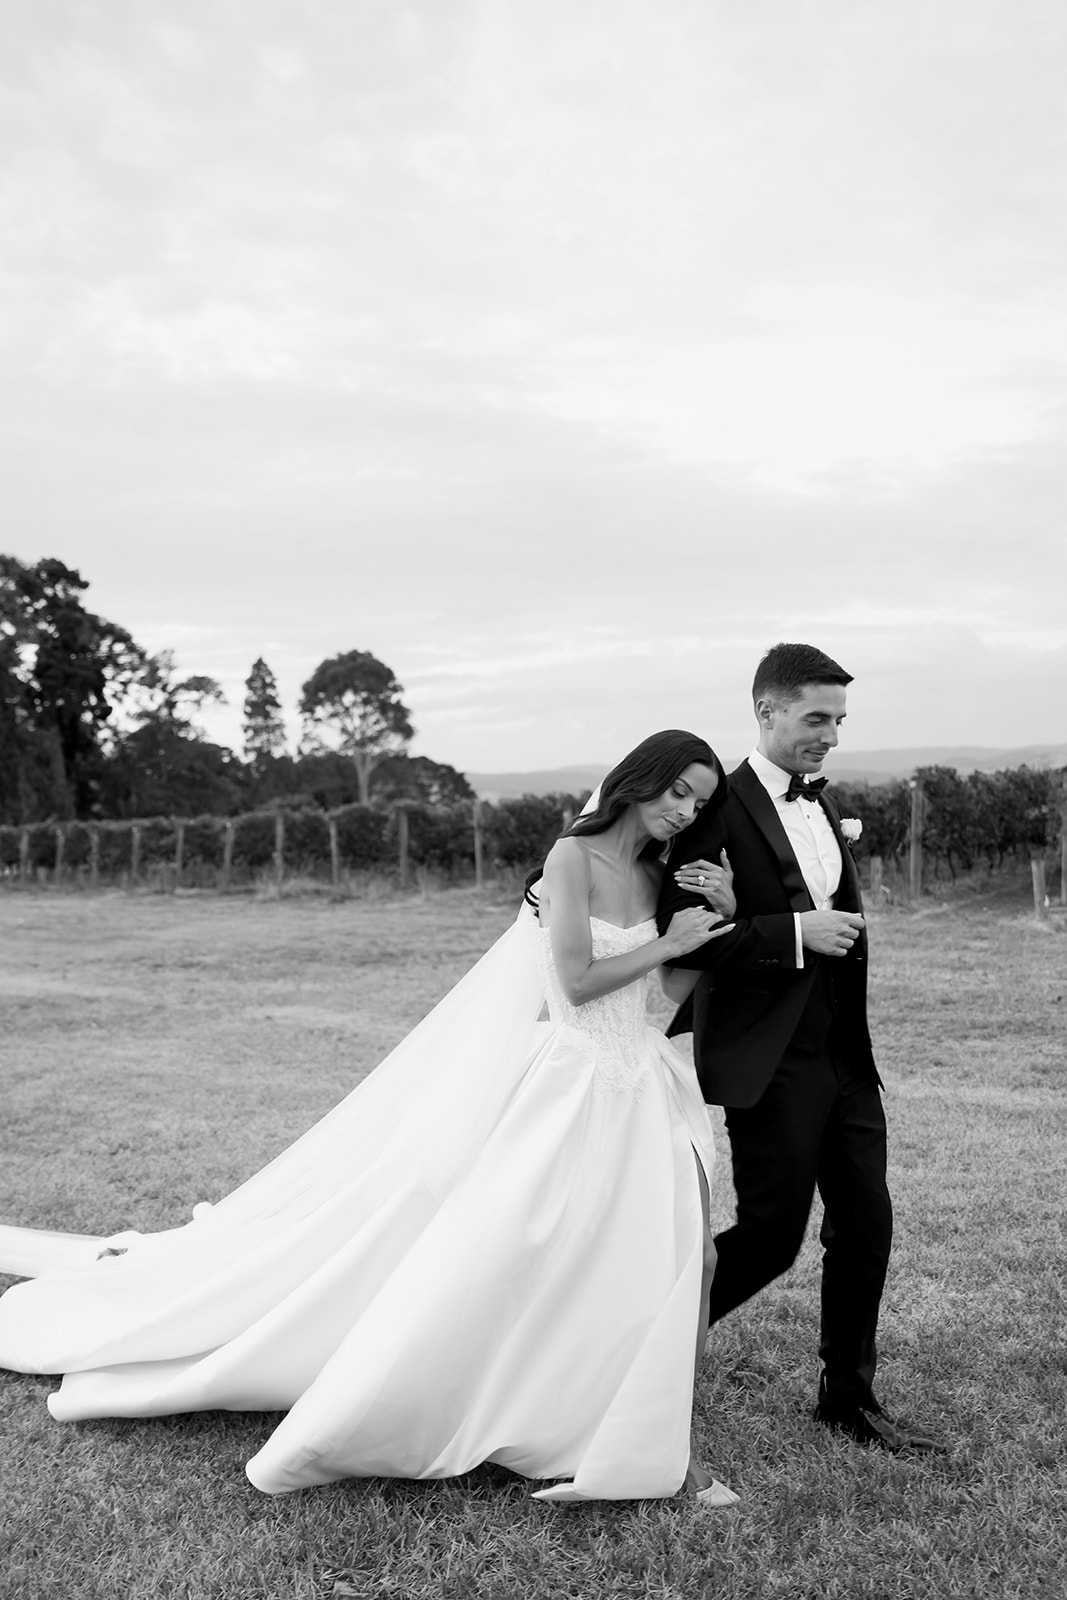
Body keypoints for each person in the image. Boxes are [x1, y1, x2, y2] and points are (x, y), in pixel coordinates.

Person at [0, 730, 742, 1505]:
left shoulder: (657, 876)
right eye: (677, 792)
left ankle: (615, 1415)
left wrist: (710, 924)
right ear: (638, 780)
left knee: (648, 1257)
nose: (684, 811)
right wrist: (667, 944)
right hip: (567, 1082)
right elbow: (578, 981)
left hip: (637, 1086)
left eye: (698, 803)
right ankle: (476, 1401)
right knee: (513, 1249)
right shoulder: (571, 859)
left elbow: (661, 1000)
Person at [657, 644, 944, 1453]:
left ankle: (846, 1397)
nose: (830, 736)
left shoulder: (821, 802)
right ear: (767, 710)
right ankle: (636, 1349)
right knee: (769, 1239)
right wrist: (791, 933)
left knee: (866, 1223)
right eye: (816, 718)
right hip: (768, 1056)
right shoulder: (711, 811)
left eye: (839, 721)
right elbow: (679, 941)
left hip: (845, 1051)